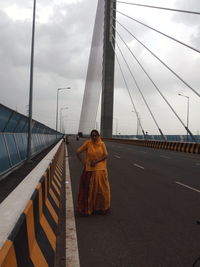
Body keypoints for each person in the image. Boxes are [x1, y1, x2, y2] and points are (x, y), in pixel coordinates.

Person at [76, 129, 110, 216]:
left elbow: (106, 155)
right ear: (91, 136)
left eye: (96, 135)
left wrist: (96, 161)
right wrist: (83, 163)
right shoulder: (88, 143)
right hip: (89, 171)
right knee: (90, 191)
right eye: (93, 135)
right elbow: (77, 152)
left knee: (102, 191)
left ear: (98, 136)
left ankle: (101, 208)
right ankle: (91, 208)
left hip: (101, 171)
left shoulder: (102, 144)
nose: (94, 137)